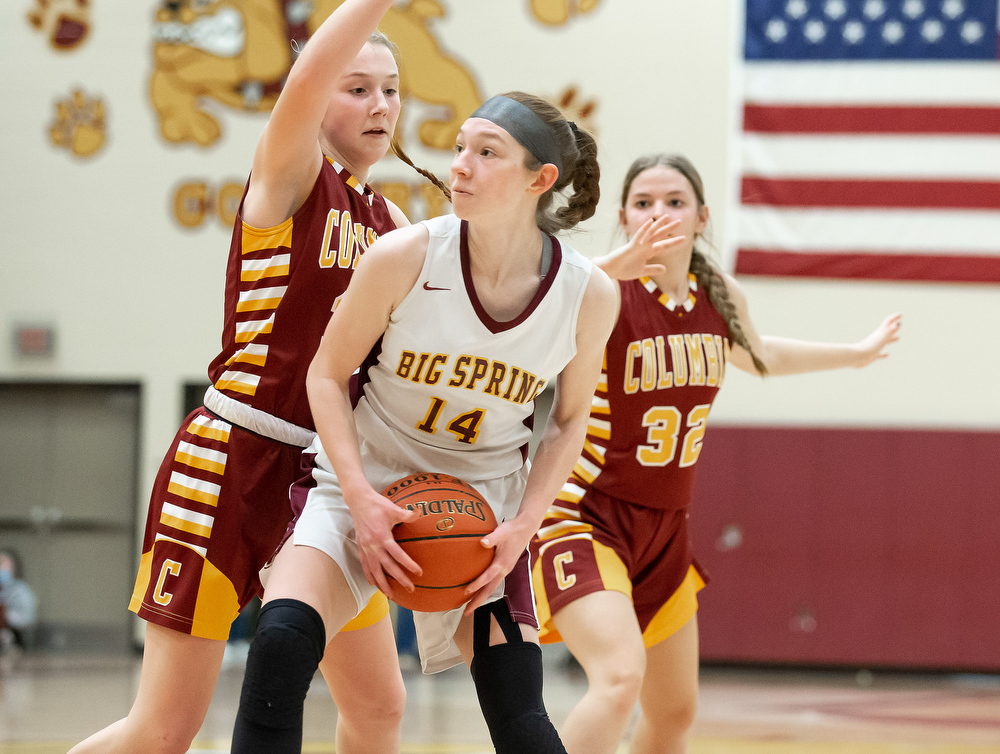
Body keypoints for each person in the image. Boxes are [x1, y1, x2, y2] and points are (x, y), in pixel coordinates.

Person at [68, 1, 438, 751]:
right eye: (357, 87)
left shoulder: (393, 224)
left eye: (392, 89)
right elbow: (303, 77)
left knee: (378, 707)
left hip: (326, 482)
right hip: (232, 462)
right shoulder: (292, 174)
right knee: (165, 729)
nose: (381, 106)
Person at [230, 92, 618, 753]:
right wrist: (359, 497)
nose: (459, 165)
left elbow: (568, 422)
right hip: (362, 489)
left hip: (483, 513)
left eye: (487, 153)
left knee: (520, 711)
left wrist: (523, 526)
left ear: (540, 179)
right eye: (460, 146)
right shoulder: (403, 254)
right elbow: (325, 376)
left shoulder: (587, 294)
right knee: (279, 648)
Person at [530, 153, 903, 754]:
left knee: (674, 712)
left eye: (675, 202)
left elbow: (761, 356)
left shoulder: (716, 292)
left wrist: (854, 353)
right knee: (618, 680)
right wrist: (605, 266)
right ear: (624, 217)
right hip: (584, 517)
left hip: (666, 529)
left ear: (702, 217)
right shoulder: (600, 287)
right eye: (644, 203)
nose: (660, 214)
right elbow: (530, 303)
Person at [0, 549, 37, 652]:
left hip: (15, 636)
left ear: (12, 568)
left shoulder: (21, 590)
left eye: (2, 564)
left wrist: (5, 616)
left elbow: (27, 617)